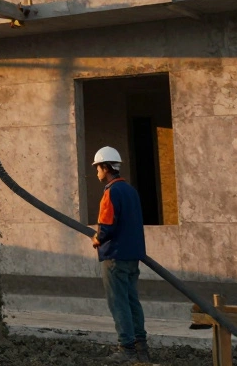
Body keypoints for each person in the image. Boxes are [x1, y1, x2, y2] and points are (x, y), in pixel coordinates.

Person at [90, 147, 150, 363]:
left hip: (115, 256)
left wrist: (98, 238)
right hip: (132, 256)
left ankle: (126, 348)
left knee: (118, 302)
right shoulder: (131, 191)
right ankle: (141, 348)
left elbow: (107, 226)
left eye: (98, 167)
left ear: (106, 168)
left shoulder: (111, 192)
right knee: (132, 300)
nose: (97, 171)